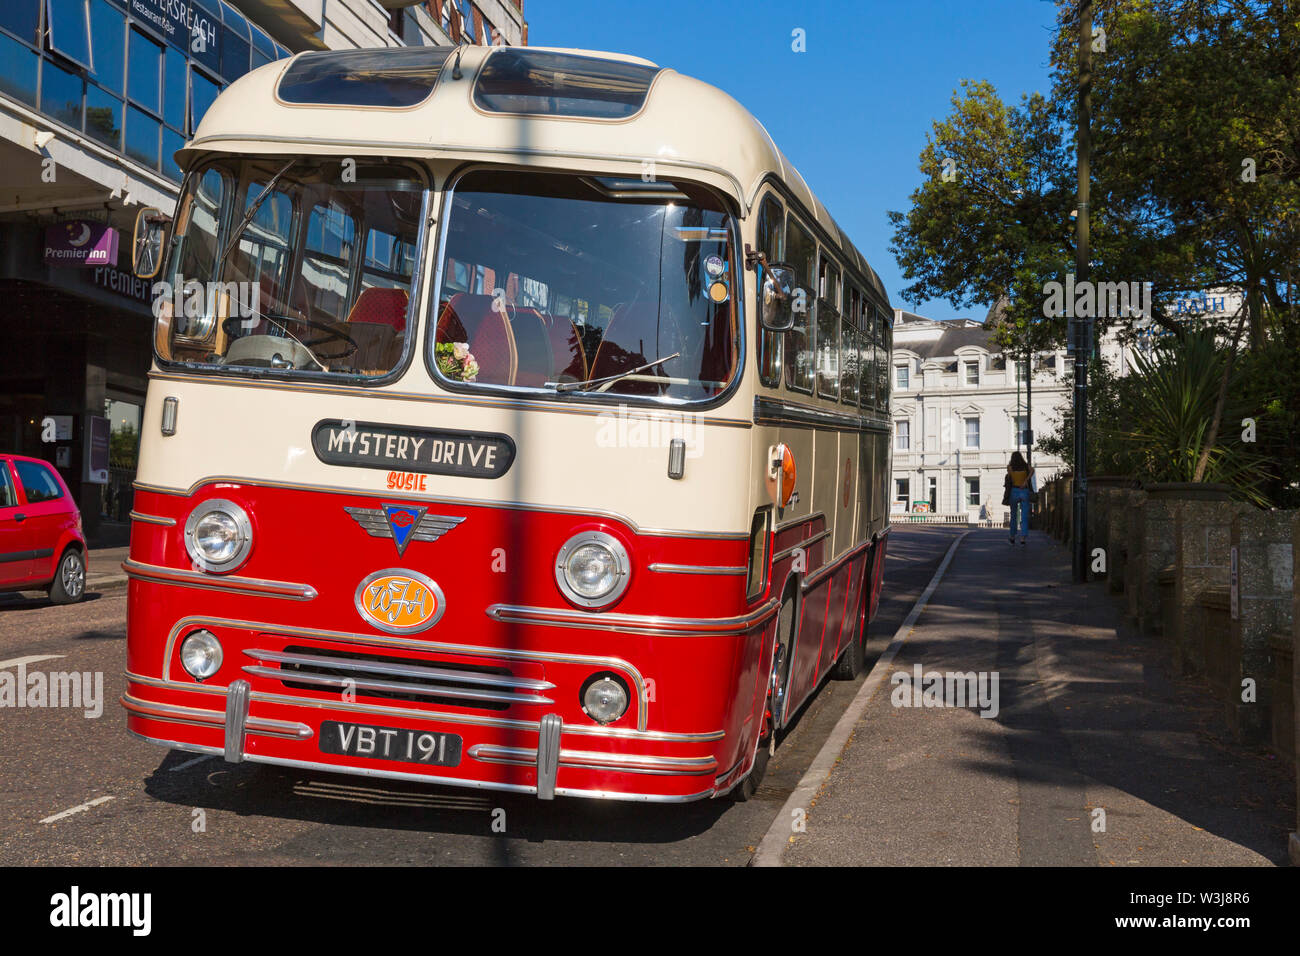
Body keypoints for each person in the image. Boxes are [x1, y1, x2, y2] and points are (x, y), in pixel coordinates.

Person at [1006, 451, 1035, 546]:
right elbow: (1032, 470)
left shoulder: (1010, 467)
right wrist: (1026, 480)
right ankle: (1022, 538)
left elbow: (1009, 478)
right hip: (1024, 490)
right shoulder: (1026, 466)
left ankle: (1012, 537)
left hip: (1014, 490)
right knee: (1024, 516)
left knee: (1013, 515)